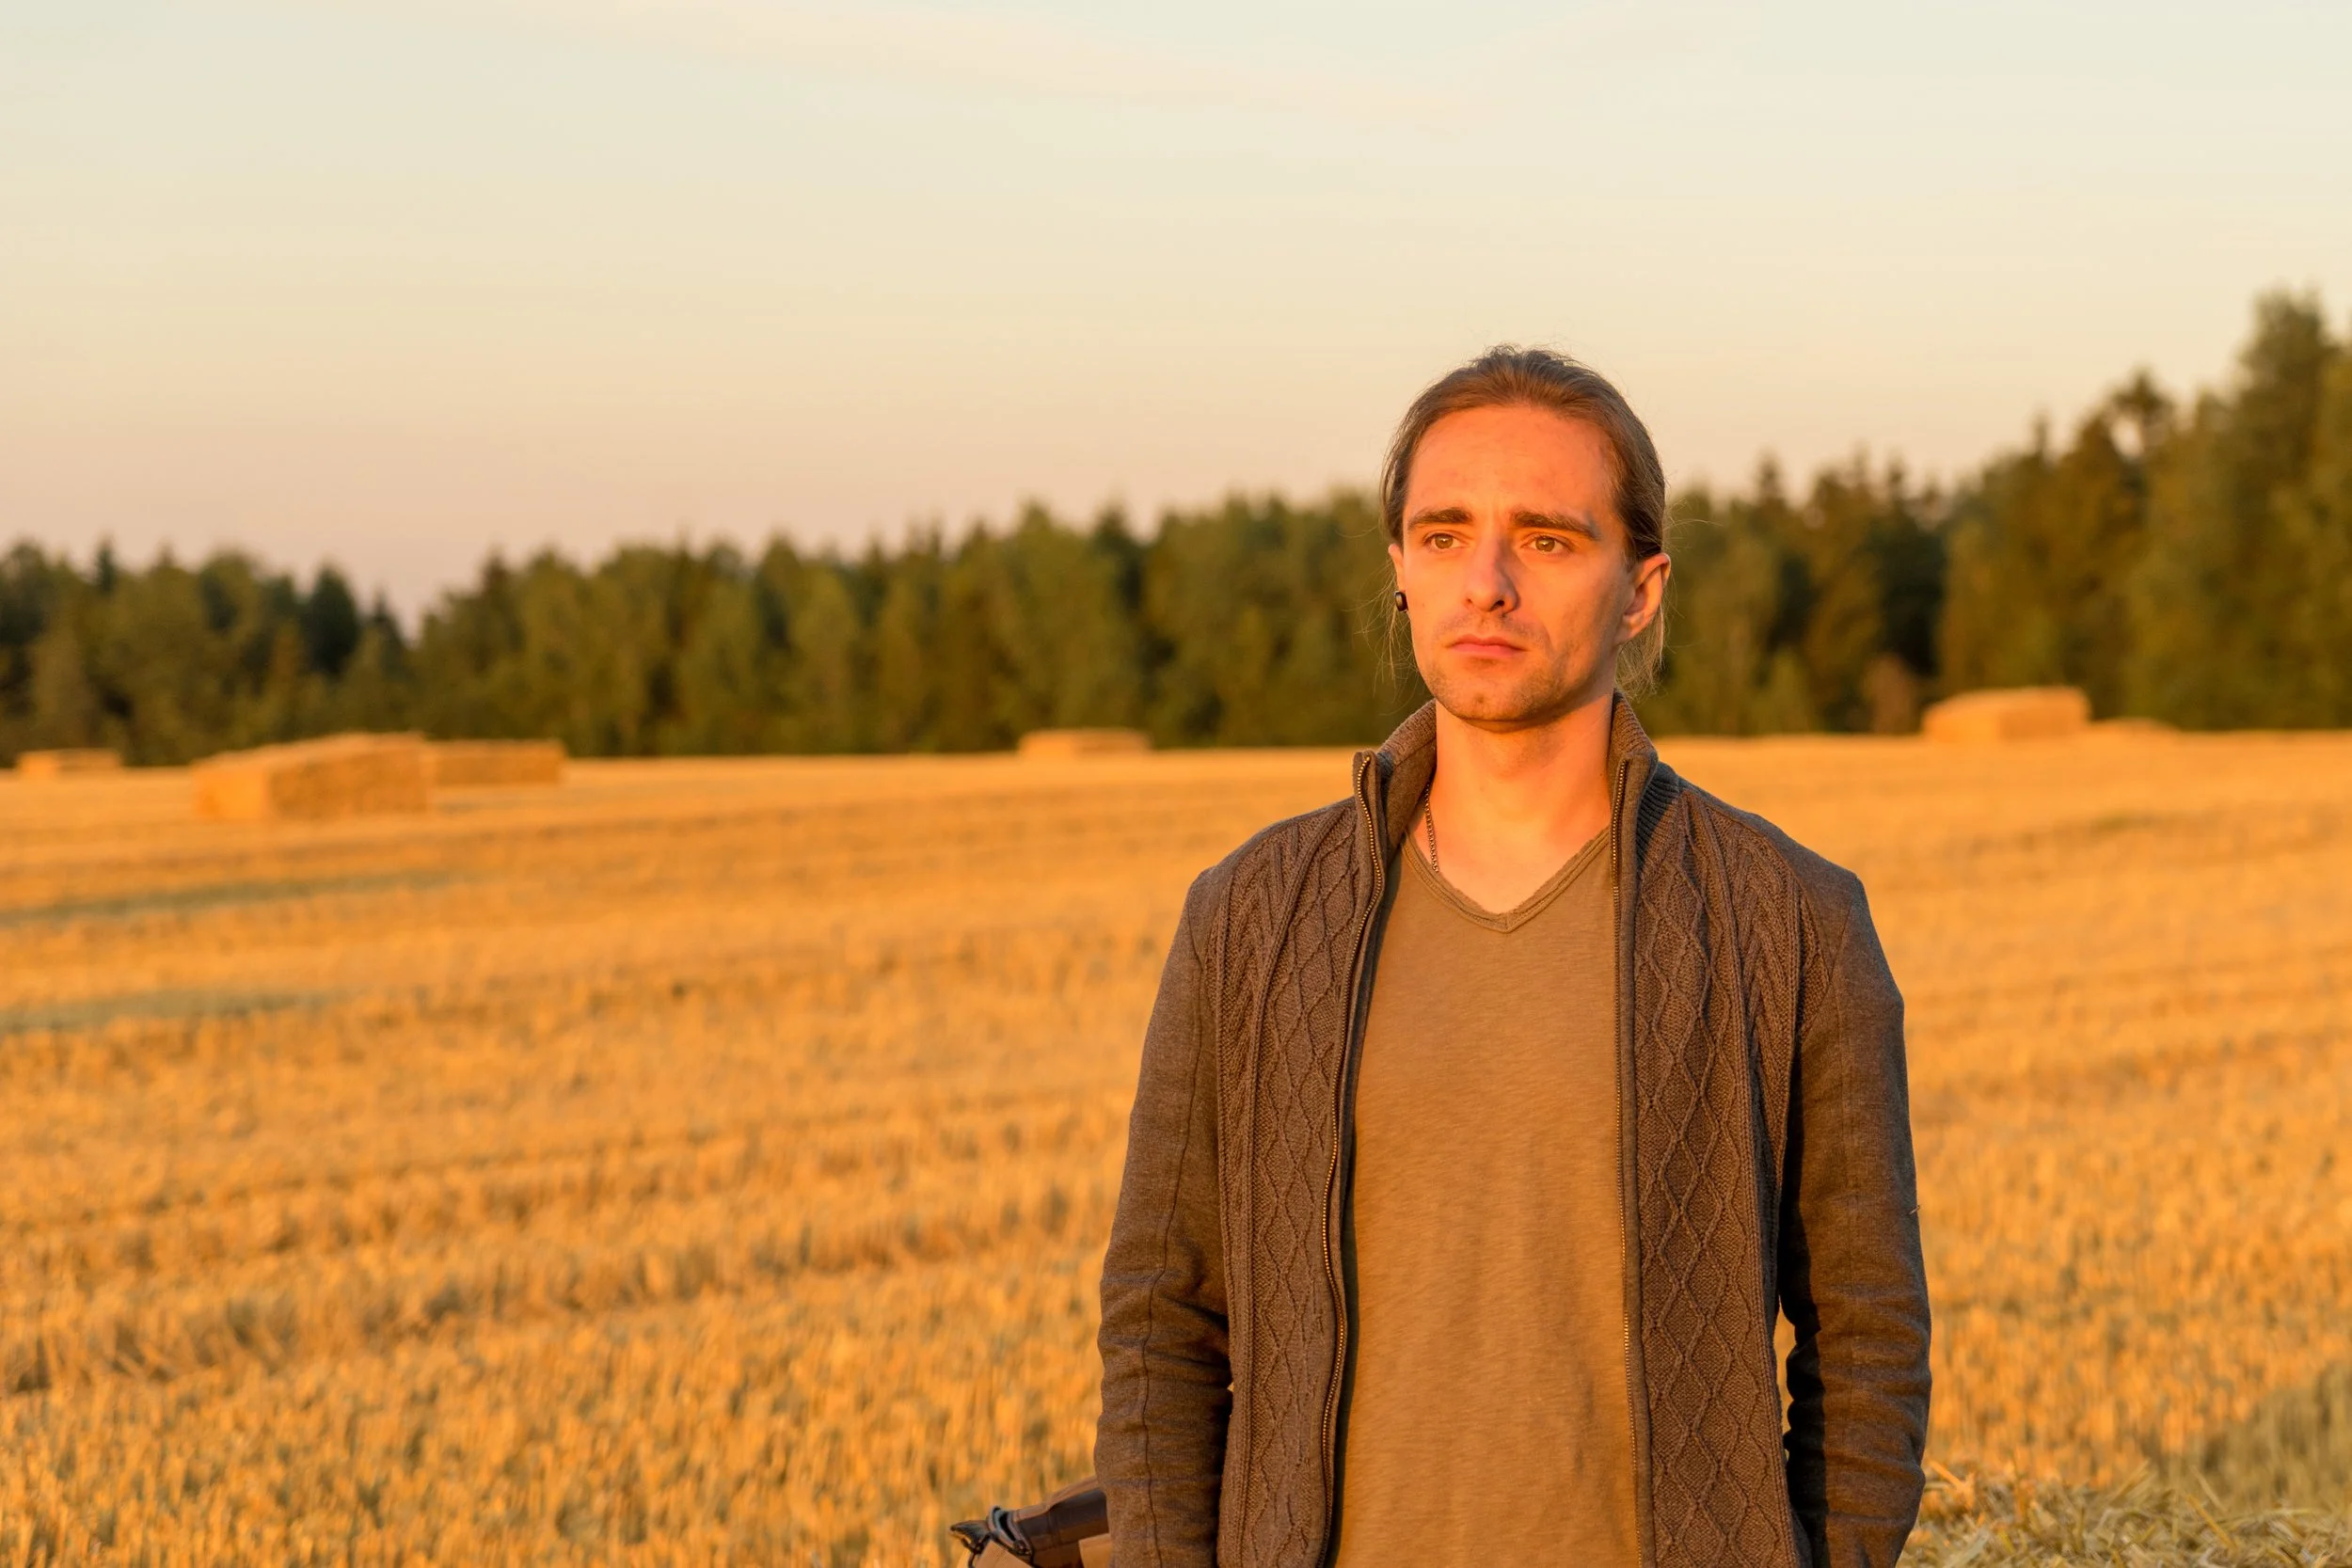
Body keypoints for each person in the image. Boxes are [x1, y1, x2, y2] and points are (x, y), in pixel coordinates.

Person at [1094, 347, 1931, 1568]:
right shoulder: (1252, 917)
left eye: (1545, 539)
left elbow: (1866, 1336)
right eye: (1443, 535)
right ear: (1398, 571)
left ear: (1640, 588)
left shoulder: (1791, 919)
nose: (1484, 581)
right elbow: (1163, 1320)